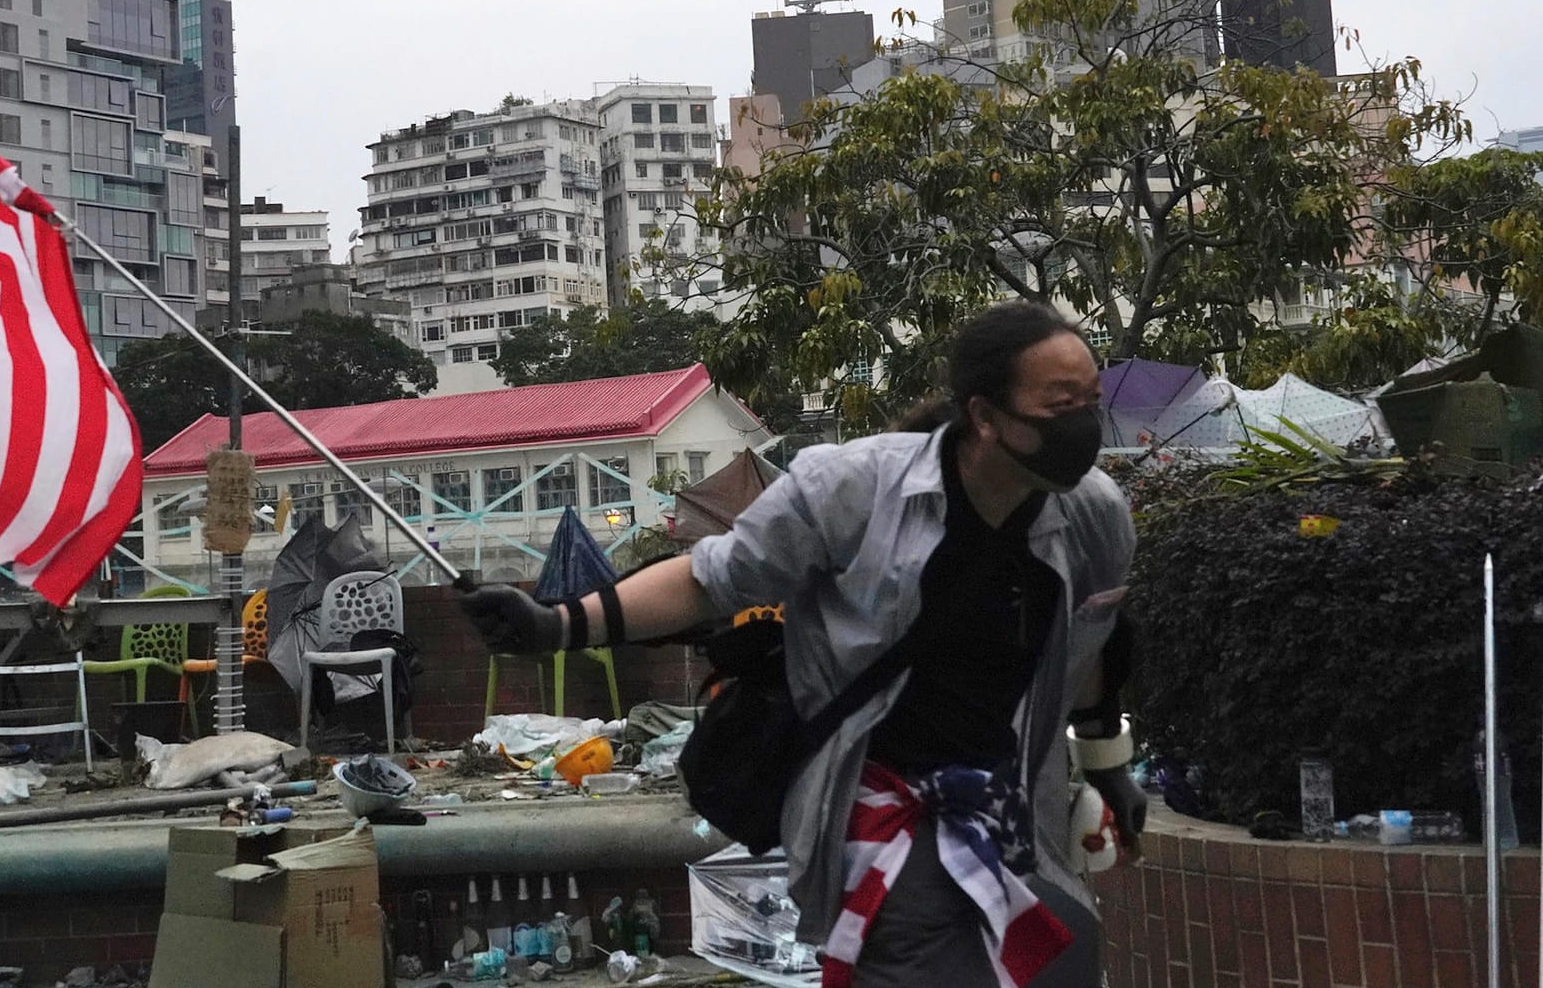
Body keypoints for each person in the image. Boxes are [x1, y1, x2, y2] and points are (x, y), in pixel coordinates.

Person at [461, 302, 1142, 986]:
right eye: (1060, 404)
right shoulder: (855, 490)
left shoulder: (1093, 516)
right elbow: (709, 579)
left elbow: (1091, 653)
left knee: (1063, 957)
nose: (1083, 422)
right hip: (884, 808)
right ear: (985, 416)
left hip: (1015, 809)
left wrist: (1110, 766)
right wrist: (556, 625)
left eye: (1090, 398)